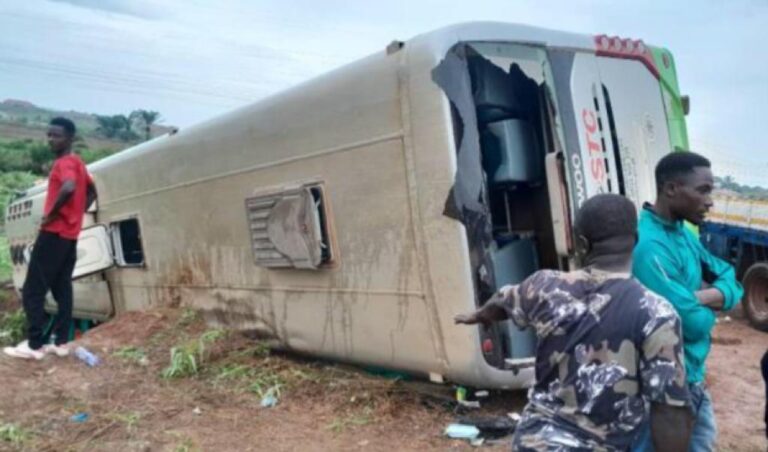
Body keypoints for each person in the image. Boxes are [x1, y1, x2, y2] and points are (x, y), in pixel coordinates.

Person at [455, 194, 693, 451]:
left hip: (536, 441)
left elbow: (502, 302)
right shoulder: (657, 313)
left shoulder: (544, 286)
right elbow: (670, 411)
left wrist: (479, 315)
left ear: (581, 243)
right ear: (635, 241)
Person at [631, 151, 743, 451]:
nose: (710, 201)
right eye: (703, 190)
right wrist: (711, 309)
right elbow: (691, 324)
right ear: (671, 189)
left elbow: (731, 278)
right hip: (664, 384)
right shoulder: (650, 246)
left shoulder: (683, 233)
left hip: (691, 376)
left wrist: (699, 297)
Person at [3, 117, 97, 360]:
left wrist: (50, 216)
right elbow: (92, 190)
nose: (51, 140)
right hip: (69, 237)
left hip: (53, 234)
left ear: (70, 138)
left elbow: (67, 188)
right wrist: (78, 213)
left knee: (33, 289)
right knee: (62, 288)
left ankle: (35, 345)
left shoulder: (63, 163)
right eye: (49, 135)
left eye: (56, 135)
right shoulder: (79, 163)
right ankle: (62, 342)